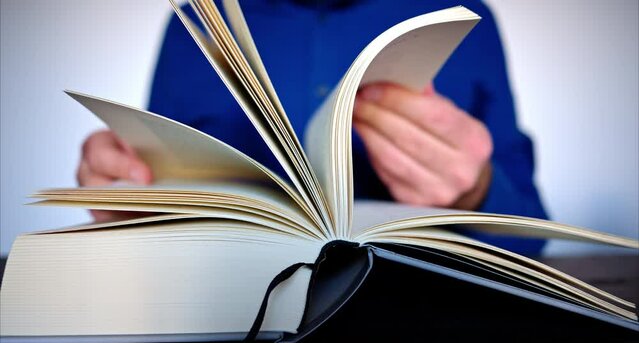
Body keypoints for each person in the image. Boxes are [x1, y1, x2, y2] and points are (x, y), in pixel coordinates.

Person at [77, 0, 548, 255]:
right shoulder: (195, 23)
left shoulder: (467, 20)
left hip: (431, 325)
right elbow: (153, 190)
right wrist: (128, 194)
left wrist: (475, 192)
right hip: (227, 324)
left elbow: (534, 228)